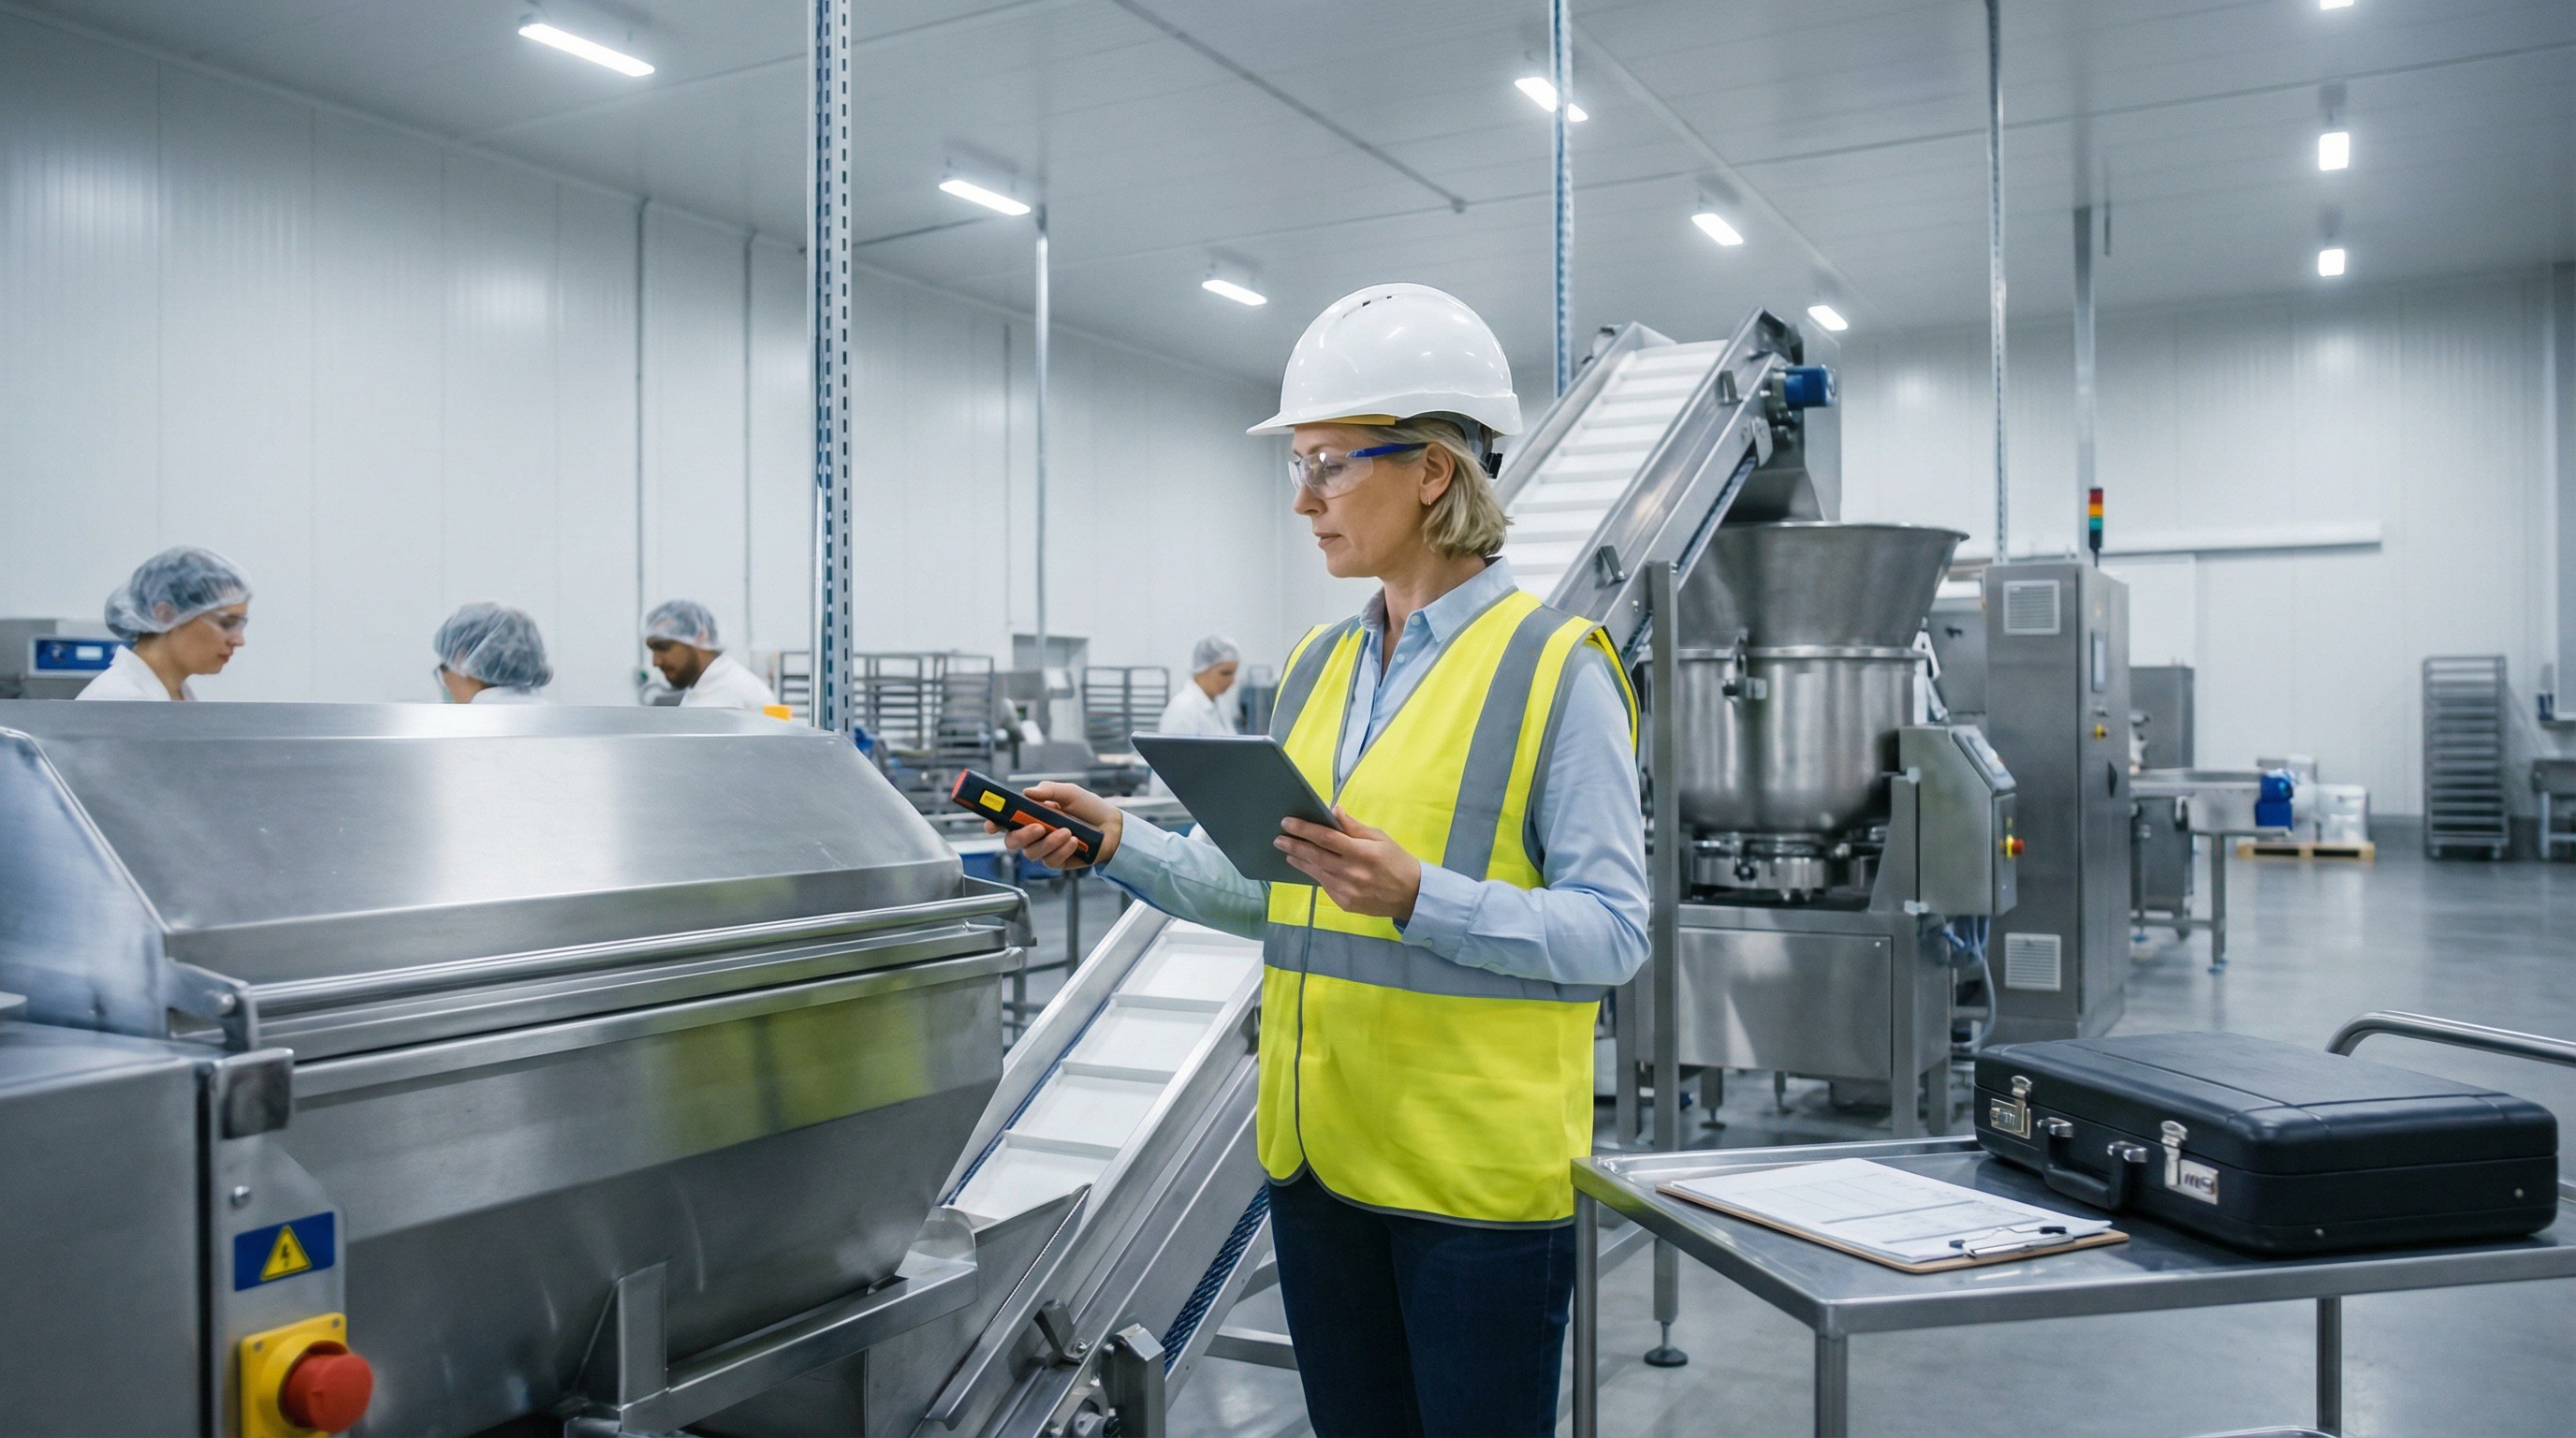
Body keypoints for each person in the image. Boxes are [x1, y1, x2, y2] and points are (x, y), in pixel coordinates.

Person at [993, 284, 1648, 1437]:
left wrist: (1418, 898)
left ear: (1434, 471)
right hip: (1314, 1165)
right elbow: (1266, 896)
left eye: (1331, 464)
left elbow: (1612, 934)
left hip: (1472, 1186)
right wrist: (1113, 836)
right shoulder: (1312, 667)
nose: (1302, 500)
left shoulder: (1560, 669)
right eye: (1296, 465)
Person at [80, 547, 252, 701]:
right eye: (227, 623)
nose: (239, 641)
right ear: (166, 615)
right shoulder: (118, 701)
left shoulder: (175, 693)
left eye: (240, 625)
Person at [641, 599, 778, 711]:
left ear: (700, 636)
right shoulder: (700, 688)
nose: (656, 662)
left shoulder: (747, 695)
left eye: (662, 647)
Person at [433, 603, 552, 704]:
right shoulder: (559, 719)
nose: (444, 680)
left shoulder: (465, 725)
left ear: (463, 659)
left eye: (444, 667)